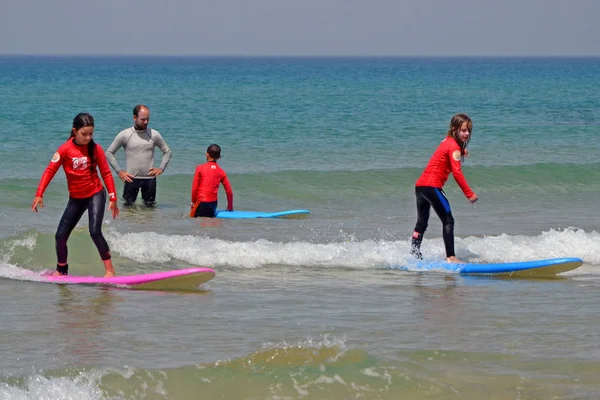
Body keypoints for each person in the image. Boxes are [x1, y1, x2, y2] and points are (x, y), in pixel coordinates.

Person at [31, 113, 120, 277]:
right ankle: (62, 270)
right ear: (74, 131)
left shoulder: (96, 148)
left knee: (95, 231)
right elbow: (50, 170)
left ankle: (109, 270)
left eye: (91, 134)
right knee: (60, 236)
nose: (88, 137)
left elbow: (106, 173)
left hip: (95, 194)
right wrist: (39, 194)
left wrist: (113, 198)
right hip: (76, 198)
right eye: (84, 134)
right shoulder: (64, 150)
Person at [410, 113, 478, 263]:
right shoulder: (454, 147)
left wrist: (461, 151)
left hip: (420, 187)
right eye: (463, 130)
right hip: (432, 186)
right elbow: (457, 173)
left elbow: (446, 151)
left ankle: (414, 254)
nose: (466, 134)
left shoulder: (447, 141)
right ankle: (451, 257)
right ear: (455, 129)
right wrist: (469, 193)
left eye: (468, 131)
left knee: (421, 223)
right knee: (448, 221)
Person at [106, 104, 172, 206]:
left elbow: (167, 151)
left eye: (147, 119)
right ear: (134, 117)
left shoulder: (153, 134)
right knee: (127, 209)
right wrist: (119, 172)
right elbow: (109, 153)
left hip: (149, 180)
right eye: (143, 119)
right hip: (131, 179)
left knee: (150, 210)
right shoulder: (125, 134)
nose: (146, 122)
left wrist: (161, 168)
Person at [190, 144, 234, 218]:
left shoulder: (199, 168)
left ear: (207, 154)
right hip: (213, 204)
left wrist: (193, 202)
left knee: (191, 218)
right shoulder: (221, 172)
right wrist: (230, 207)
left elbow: (195, 188)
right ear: (219, 157)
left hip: (201, 202)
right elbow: (229, 191)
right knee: (209, 222)